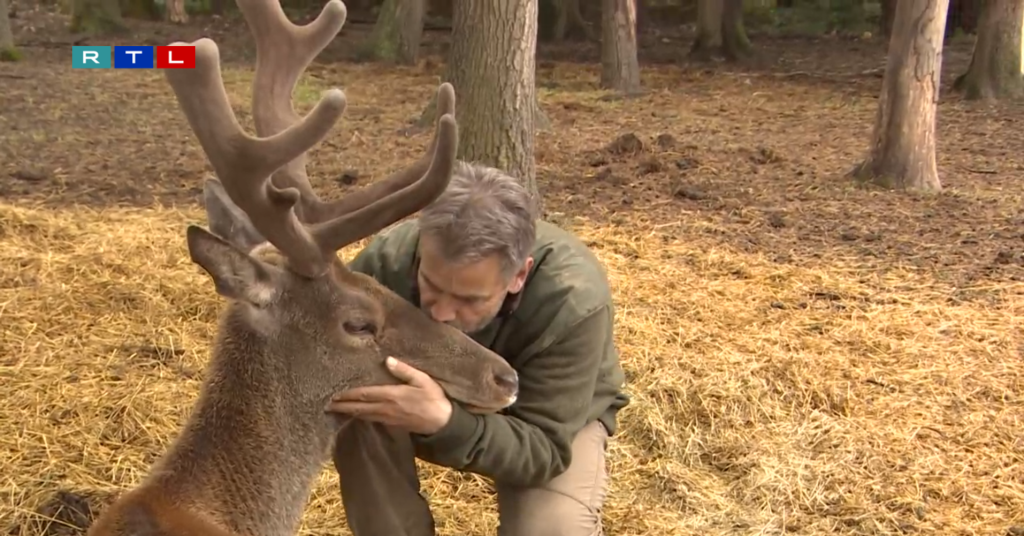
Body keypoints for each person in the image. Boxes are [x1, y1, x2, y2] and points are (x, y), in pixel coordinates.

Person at [325, 162, 630, 536]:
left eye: (469, 299)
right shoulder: (387, 263)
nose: (441, 312)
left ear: (519, 275)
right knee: (358, 399)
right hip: (415, 397)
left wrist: (446, 423)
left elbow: (545, 450)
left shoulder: (574, 300)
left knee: (551, 529)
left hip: (542, 419)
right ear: (422, 247)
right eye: (430, 286)